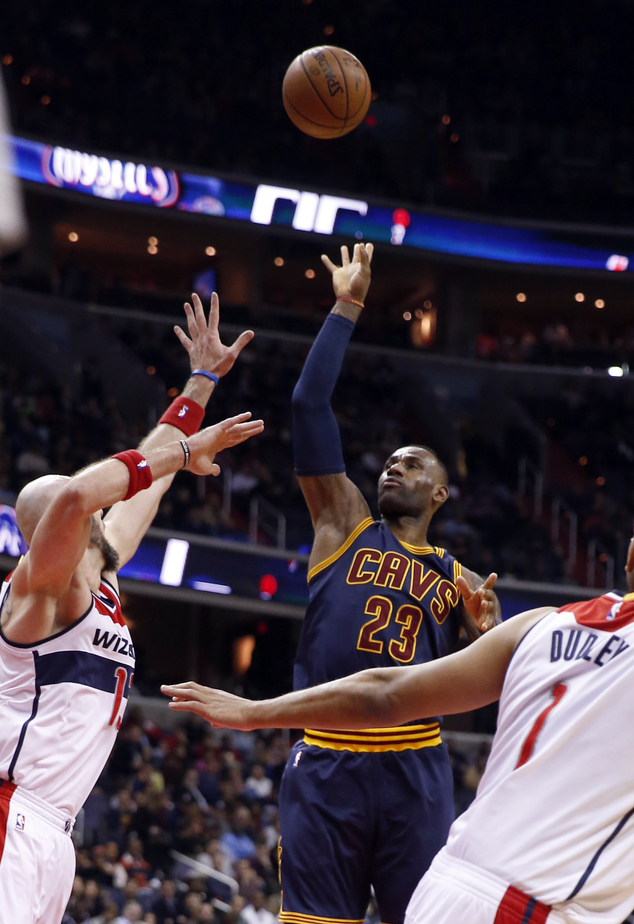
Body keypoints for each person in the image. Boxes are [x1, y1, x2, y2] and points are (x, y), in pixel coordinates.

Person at [163, 536, 634, 924]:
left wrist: (251, 712)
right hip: (531, 908)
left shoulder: (540, 625)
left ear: (629, 558)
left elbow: (385, 691)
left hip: (443, 889)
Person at [243, 242, 498, 924]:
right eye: (388, 462)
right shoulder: (344, 523)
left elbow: (490, 680)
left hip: (415, 763)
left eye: (411, 464)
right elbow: (308, 403)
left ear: (440, 493)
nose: (393, 468)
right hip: (326, 753)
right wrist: (347, 306)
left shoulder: (459, 578)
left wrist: (489, 632)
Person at [0, 293, 263, 924]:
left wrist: (200, 382)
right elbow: (79, 496)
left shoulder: (103, 569)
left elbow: (151, 477)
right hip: (12, 812)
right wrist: (179, 452)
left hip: (53, 830)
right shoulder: (38, 597)